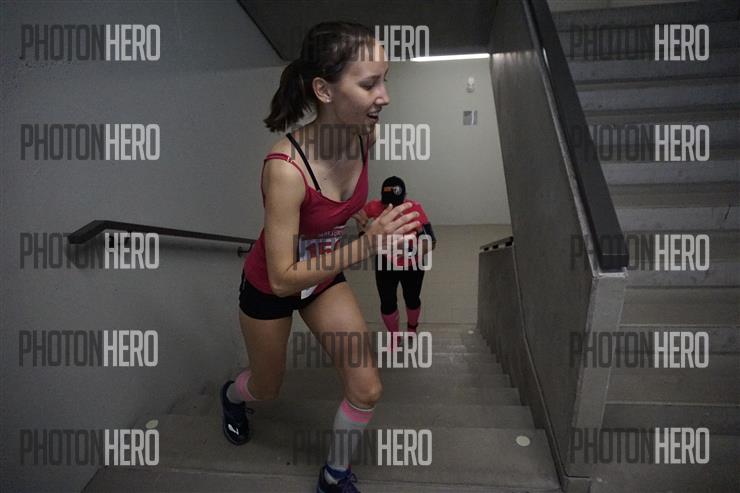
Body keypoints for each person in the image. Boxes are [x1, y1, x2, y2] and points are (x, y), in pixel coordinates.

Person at [219, 22, 421, 493]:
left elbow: (340, 209)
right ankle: (231, 397)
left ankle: (334, 476)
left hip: (323, 277)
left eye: (385, 79)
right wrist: (367, 246)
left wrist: (366, 223)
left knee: (367, 387)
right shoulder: (286, 169)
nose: (385, 96)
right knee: (266, 388)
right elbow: (282, 277)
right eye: (369, 84)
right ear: (324, 90)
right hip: (272, 288)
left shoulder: (365, 135)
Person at [355, 176, 436, 346]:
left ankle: (412, 328)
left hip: (413, 265)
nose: (391, 208)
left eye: (396, 203)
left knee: (412, 299)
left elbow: (431, 241)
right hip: (385, 263)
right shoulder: (374, 206)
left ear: (405, 196)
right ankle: (394, 335)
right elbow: (361, 216)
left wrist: (412, 251)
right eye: (387, 204)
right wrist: (363, 232)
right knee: (387, 303)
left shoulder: (415, 208)